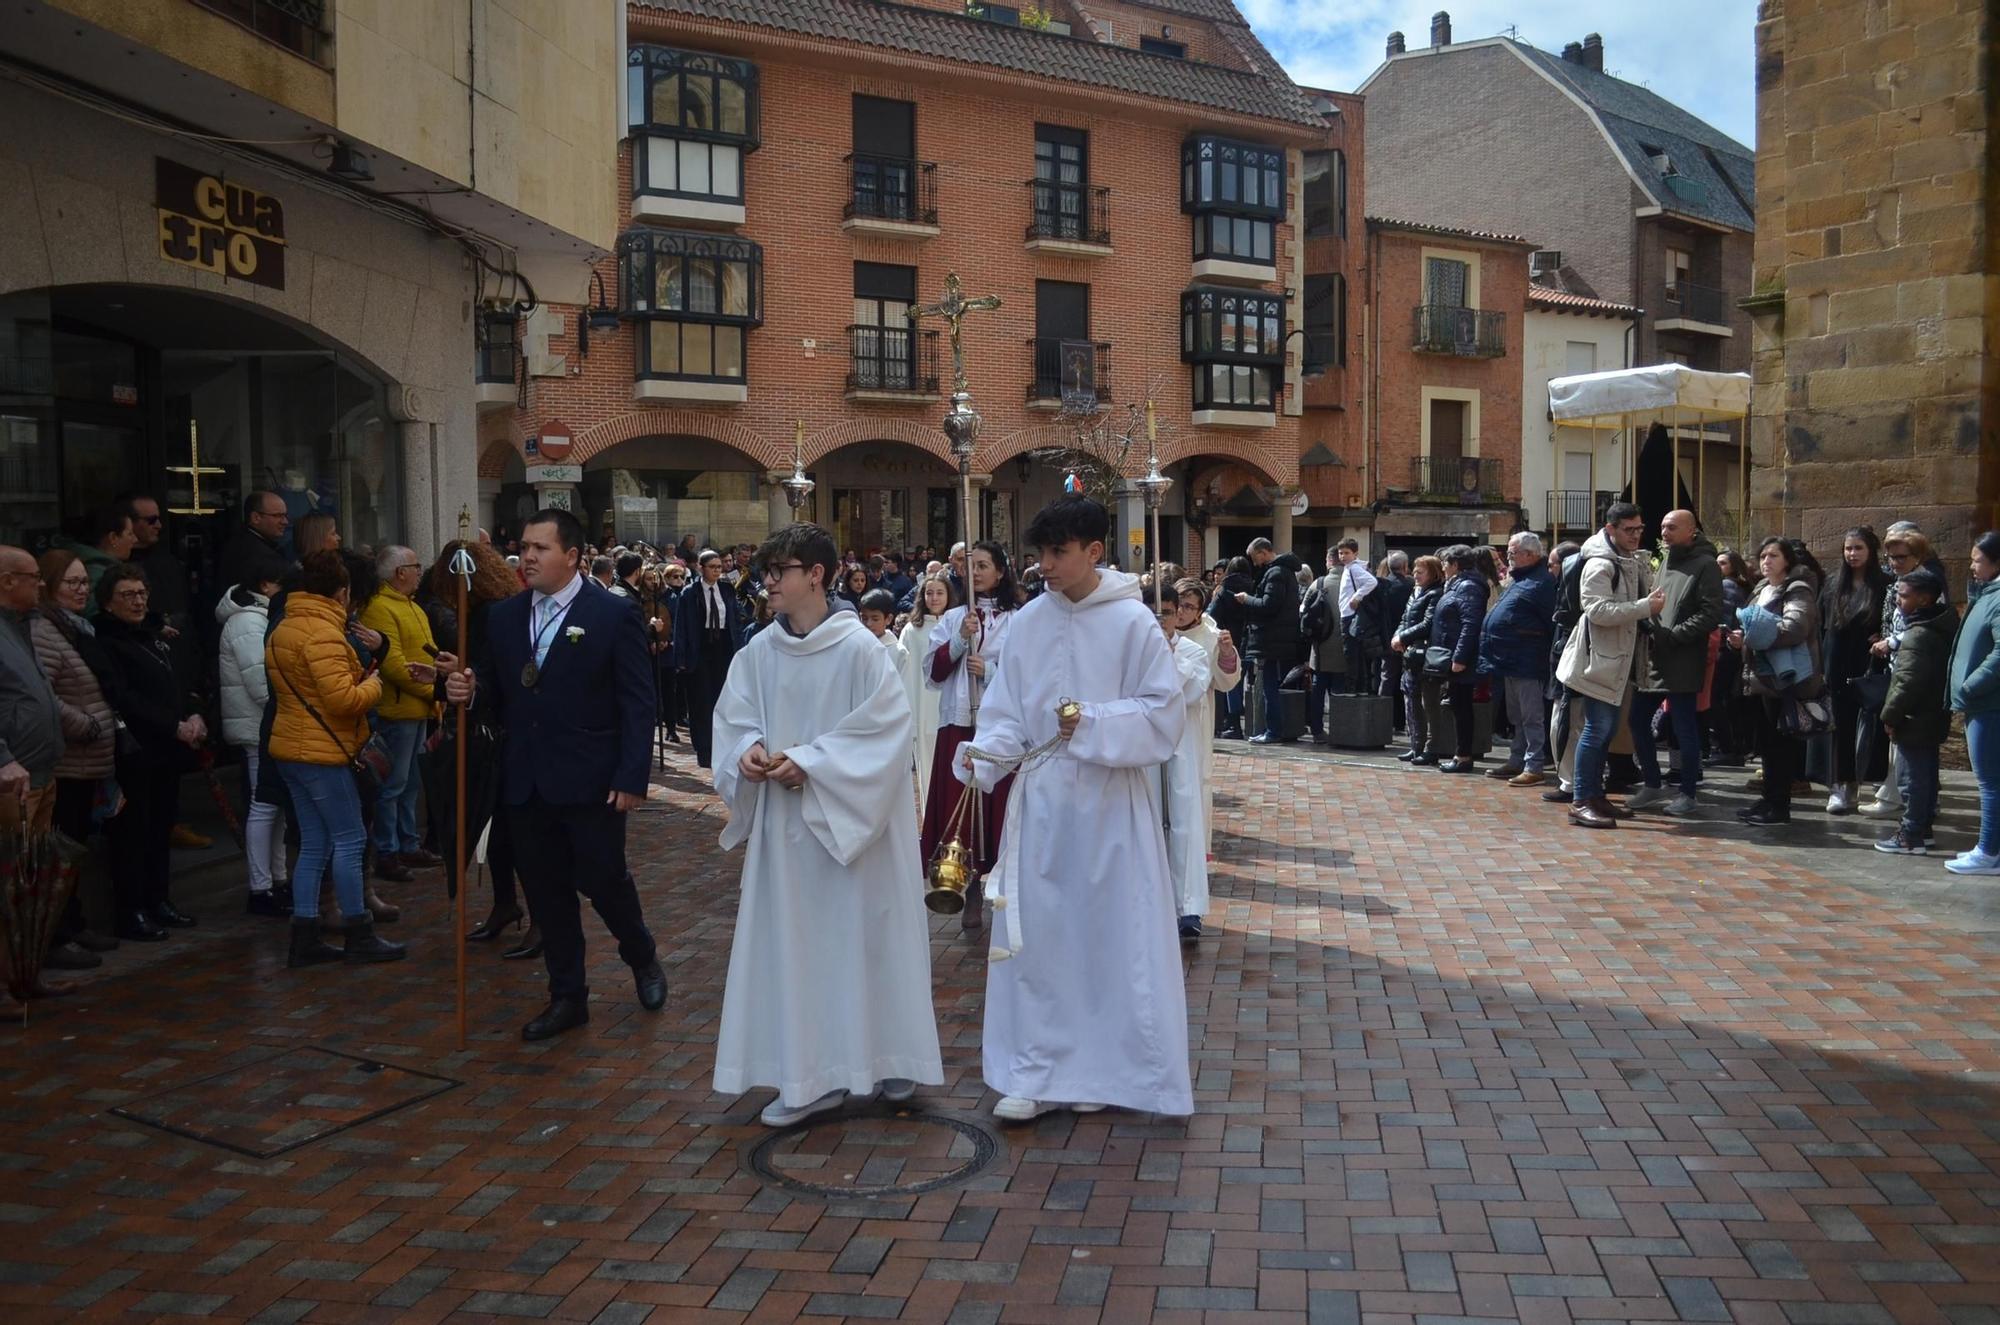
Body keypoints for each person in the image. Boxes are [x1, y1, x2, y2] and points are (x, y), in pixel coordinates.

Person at [955, 495, 1191, 1122]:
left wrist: (1088, 720)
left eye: (1059, 553)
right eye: (1040, 554)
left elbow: (1162, 716)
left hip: (1111, 805)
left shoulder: (1134, 624)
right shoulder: (1029, 621)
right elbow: (1006, 710)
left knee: (1107, 938)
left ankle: (1103, 1070)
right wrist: (988, 753)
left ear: (1094, 552)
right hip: (1042, 805)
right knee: (1040, 939)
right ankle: (1033, 1071)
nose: (1047, 566)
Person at [709, 524, 945, 1126]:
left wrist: (811, 764)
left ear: (815, 575)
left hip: (857, 834)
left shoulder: (862, 650)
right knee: (803, 948)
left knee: (871, 938)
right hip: (789, 840)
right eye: (765, 572)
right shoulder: (757, 651)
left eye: (778, 571)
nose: (767, 583)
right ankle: (811, 1076)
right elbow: (733, 719)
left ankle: (893, 1056)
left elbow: (887, 735)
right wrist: (750, 752)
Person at [448, 508, 664, 1041]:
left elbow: (638, 701)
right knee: (546, 892)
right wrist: (468, 690)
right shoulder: (503, 617)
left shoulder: (613, 614)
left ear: (571, 556)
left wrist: (632, 775)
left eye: (540, 548)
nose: (527, 557)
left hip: (592, 779)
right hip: (526, 781)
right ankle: (568, 996)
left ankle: (642, 956)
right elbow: (496, 691)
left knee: (604, 881)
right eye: (523, 546)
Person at [265, 551, 405, 966]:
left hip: (292, 746)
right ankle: (358, 931)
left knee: (315, 844)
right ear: (342, 592)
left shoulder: (285, 627)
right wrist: (375, 684)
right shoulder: (324, 633)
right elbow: (343, 700)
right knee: (348, 840)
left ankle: (304, 932)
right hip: (323, 752)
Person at [429, 541, 537, 957]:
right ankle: (505, 904)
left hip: (503, 733)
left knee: (515, 832)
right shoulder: (480, 612)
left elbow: (499, 676)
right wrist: (447, 676)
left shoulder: (493, 613)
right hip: (487, 726)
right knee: (497, 836)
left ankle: (539, 919)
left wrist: (463, 673)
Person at [94, 564, 205, 939]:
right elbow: (123, 696)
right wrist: (171, 725)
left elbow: (176, 682)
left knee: (161, 827)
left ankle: (159, 899)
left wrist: (193, 715)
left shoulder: (152, 636)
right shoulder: (107, 641)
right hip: (136, 749)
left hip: (167, 749)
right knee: (132, 832)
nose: (138, 601)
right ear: (108, 603)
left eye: (142, 593)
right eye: (128, 595)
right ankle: (132, 909)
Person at [920, 541, 1020, 933]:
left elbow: (1028, 674)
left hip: (1002, 729)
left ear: (1000, 570)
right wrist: (960, 640)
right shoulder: (954, 618)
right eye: (970, 565)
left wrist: (991, 670)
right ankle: (969, 884)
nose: (975, 572)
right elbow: (934, 673)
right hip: (961, 724)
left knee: (1001, 804)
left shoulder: (1018, 619)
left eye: (983, 565)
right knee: (962, 807)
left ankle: (1004, 880)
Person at [32, 550, 118, 968]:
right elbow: (44, 694)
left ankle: (75, 920)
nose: (82, 590)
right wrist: (83, 724)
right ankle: (59, 932)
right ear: (48, 586)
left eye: (85, 582)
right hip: (68, 758)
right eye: (72, 583)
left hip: (88, 760)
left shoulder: (75, 629)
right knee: (61, 847)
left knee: (77, 844)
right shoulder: (43, 632)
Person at [1556, 504, 1666, 829]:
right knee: (1596, 730)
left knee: (1604, 733)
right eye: (1629, 530)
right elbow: (1598, 611)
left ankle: (1594, 794)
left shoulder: (1628, 559)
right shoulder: (1601, 564)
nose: (1635, 536)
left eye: (1639, 529)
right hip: (1598, 663)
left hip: (1614, 660)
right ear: (1611, 529)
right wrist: (1644, 607)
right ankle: (1580, 800)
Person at [1627, 511, 1723, 816]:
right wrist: (1648, 622)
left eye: (1672, 527)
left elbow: (1710, 614)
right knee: (1637, 720)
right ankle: (1653, 784)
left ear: (1691, 530)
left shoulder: (1706, 565)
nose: (1664, 531)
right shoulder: (1666, 559)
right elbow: (1659, 598)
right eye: (1663, 526)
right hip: (1657, 654)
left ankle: (1688, 793)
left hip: (1683, 657)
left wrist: (1675, 635)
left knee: (1684, 728)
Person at [358, 546, 441, 886]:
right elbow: (393, 665)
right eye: (415, 566)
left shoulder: (411, 606)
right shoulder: (379, 608)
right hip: (399, 709)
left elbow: (426, 653)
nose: (420, 571)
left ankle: (408, 842)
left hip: (418, 708)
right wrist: (434, 690)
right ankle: (388, 850)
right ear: (398, 573)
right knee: (393, 785)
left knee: (410, 784)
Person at [1732, 537, 1825, 827]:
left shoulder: (1797, 590)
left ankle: (1779, 805)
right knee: (1767, 743)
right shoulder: (1761, 588)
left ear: (1787, 560)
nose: (1766, 561)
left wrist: (1754, 635)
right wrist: (1740, 637)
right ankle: (1769, 799)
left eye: (1773, 555)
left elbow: (1796, 627)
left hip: (1783, 678)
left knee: (1780, 744)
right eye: (1762, 556)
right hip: (1760, 676)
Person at [216, 569, 288, 916]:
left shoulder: (258, 618)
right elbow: (260, 682)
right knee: (264, 806)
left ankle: (277, 878)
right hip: (258, 726)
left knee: (274, 806)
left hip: (267, 724)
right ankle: (261, 887)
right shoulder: (247, 621)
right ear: (263, 584)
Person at [1874, 568, 1955, 855]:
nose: (1898, 601)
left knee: (1913, 778)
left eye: (1904, 596)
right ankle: (1922, 829)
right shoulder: (1935, 627)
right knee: (1925, 776)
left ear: (1923, 600)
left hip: (1915, 717)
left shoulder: (1918, 635)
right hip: (1929, 715)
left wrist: (1890, 716)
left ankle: (1911, 835)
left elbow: (1907, 682)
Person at [1861, 529, 1939, 820]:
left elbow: (1920, 629)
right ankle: (1898, 795)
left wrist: (1890, 642)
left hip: (1911, 668)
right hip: (1896, 664)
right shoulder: (1899, 582)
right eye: (1890, 557)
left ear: (1917, 557)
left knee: (1907, 739)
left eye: (1901, 557)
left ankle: (1904, 803)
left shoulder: (1924, 586)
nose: (1894, 562)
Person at [1820, 527, 1890, 814]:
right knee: (1839, 726)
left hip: (1868, 664)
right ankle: (1840, 787)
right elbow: (1822, 624)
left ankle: (1866, 782)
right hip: (1836, 663)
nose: (1852, 554)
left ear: (1870, 551)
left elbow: (1892, 621)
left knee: (1868, 726)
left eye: (1858, 548)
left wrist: (1881, 637)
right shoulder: (1834, 583)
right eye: (1848, 548)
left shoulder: (1884, 584)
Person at [1478, 533, 1557, 786]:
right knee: (1516, 716)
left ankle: (1534, 765)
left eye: (1512, 554)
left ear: (1530, 555)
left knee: (1531, 716)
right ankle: (1517, 759)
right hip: (1510, 660)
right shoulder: (1519, 580)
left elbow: (1551, 622)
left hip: (1529, 661)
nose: (1507, 558)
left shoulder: (1542, 583)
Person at [1157, 598, 1212, 938]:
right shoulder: (1133, 650)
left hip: (1181, 742)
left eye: (1165, 612)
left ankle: (1187, 906)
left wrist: (1165, 655)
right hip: (1144, 746)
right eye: (1153, 612)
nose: (1160, 619)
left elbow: (1184, 691)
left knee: (1184, 823)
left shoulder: (1192, 651)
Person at [1170, 578, 1239, 852]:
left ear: (1200, 611)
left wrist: (1225, 654)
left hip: (1193, 720)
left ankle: (1194, 852)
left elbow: (1225, 682)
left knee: (1193, 783)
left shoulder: (1209, 636)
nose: (1180, 612)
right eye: (1178, 605)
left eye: (1188, 606)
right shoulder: (1153, 628)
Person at [1946, 530, 2000, 875]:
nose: (1971, 565)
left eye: (1978, 559)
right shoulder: (1987, 593)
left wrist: (1970, 686)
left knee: (1990, 782)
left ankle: (1988, 851)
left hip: (1988, 704)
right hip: (1981, 702)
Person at [673, 548, 742, 770]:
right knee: (701, 702)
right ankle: (704, 749)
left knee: (722, 699)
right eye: (712, 567)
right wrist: (681, 657)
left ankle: (722, 746)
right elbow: (681, 627)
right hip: (700, 648)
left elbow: (734, 620)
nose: (716, 571)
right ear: (701, 568)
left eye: (719, 567)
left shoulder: (727, 590)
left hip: (723, 648)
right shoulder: (689, 593)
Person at [1425, 546, 1489, 774]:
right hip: (1451, 654)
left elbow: (1470, 624)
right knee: (1457, 705)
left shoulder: (1468, 587)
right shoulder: (1457, 585)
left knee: (1461, 707)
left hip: (1460, 659)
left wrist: (1460, 657)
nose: (1442, 566)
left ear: (1455, 565)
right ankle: (1461, 754)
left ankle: (1463, 756)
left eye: (1445, 562)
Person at [1234, 538, 1303, 744]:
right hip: (1279, 637)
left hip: (1272, 638)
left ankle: (1273, 730)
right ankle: (1273, 729)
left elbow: (1269, 604)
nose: (1254, 563)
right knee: (1269, 684)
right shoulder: (1283, 571)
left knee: (1269, 686)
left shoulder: (1276, 573)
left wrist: (1247, 599)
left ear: (1264, 552)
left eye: (1255, 557)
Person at [899, 573, 953, 807]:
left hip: (951, 707)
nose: (934, 597)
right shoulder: (912, 630)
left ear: (949, 595)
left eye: (940, 592)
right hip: (922, 707)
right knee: (927, 767)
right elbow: (905, 672)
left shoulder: (956, 625)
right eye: (929, 593)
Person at [1390, 555, 1444, 763]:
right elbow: (1405, 618)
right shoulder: (1415, 592)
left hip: (1426, 656)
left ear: (1433, 572)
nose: (1415, 575)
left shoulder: (1435, 594)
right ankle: (1416, 746)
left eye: (1421, 572)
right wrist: (1398, 636)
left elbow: (1428, 623)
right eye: (1414, 571)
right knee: (1411, 702)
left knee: (1429, 704)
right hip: (1410, 655)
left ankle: (1432, 749)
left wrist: (1403, 636)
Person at [1706, 549, 1756, 768]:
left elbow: (1723, 619)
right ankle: (1734, 745)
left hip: (1726, 649)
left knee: (1717, 698)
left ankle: (1728, 746)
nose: (1718, 567)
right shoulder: (1741, 587)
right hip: (1734, 649)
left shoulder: (1726, 586)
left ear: (1733, 567)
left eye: (1723, 563)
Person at [121, 493, 189, 629]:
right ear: (130, 522)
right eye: (151, 520)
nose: (158, 525)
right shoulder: (119, 566)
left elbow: (182, 607)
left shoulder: (168, 562)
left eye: (158, 519)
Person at [1299, 558, 1347, 744]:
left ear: (1329, 561)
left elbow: (1303, 612)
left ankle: (1317, 730)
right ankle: (1340, 729)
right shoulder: (1353, 584)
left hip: (1320, 647)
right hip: (1344, 647)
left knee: (1318, 690)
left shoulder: (1318, 584)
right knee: (1339, 691)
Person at [1209, 556, 1254, 738]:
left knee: (1230, 684)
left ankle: (1233, 724)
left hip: (1228, 641)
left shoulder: (1223, 590)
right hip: (1250, 641)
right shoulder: (1254, 587)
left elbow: (1211, 616)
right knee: (1247, 684)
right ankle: (1248, 723)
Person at [218, 490, 293, 596]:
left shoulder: (244, 543)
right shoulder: (255, 553)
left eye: (285, 515)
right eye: (278, 515)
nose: (285, 521)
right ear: (256, 518)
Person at [1331, 538, 1380, 693]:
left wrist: (1357, 597)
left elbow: (1371, 582)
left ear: (1355, 553)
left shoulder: (1354, 569)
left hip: (1350, 615)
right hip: (1349, 614)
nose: (1343, 556)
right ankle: (1361, 687)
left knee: (1351, 653)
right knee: (1356, 653)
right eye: (1341, 553)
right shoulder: (1350, 568)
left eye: (1347, 553)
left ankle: (1353, 687)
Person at [68, 505, 137, 613]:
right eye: (130, 534)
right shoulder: (97, 573)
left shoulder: (98, 567)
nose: (135, 539)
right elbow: (92, 614)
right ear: (113, 537)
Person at [1375, 552, 1414, 728]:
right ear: (1405, 566)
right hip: (1407, 639)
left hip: (1385, 638)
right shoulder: (1411, 586)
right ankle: (1402, 721)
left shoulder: (1381, 586)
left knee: (1387, 678)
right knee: (1407, 679)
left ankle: (1381, 720)